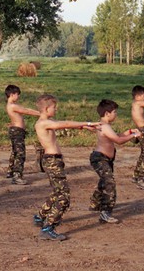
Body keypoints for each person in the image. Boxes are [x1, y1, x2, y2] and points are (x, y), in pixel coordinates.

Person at [32, 94, 99, 241]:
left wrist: (83, 127)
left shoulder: (47, 121)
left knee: (58, 191)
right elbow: (66, 124)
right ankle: (48, 227)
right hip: (52, 162)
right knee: (64, 196)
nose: (56, 109)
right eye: (54, 107)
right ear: (46, 108)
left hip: (54, 161)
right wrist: (87, 123)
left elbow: (64, 123)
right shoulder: (43, 123)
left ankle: (40, 216)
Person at [89, 99, 141, 224]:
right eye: (114, 112)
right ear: (107, 113)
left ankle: (95, 203)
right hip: (100, 158)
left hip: (106, 159)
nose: (116, 114)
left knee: (104, 181)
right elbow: (118, 140)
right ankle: (105, 212)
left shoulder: (104, 125)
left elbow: (115, 135)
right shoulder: (105, 126)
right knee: (109, 183)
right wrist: (133, 136)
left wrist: (128, 132)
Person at [4, 85, 42, 185]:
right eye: (17, 94)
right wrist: (41, 114)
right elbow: (26, 110)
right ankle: (17, 176)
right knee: (20, 153)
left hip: (16, 131)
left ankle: (11, 171)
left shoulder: (11, 105)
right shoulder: (12, 106)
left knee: (15, 152)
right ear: (12, 95)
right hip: (17, 131)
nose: (19, 96)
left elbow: (25, 109)